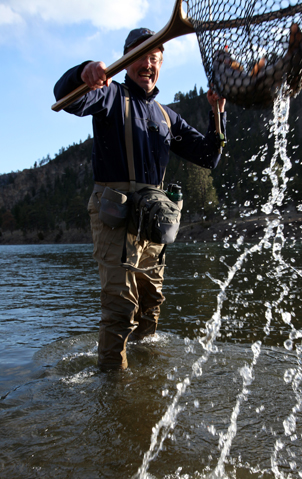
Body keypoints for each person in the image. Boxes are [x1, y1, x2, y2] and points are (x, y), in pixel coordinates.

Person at [54, 27, 226, 371]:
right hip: (114, 217)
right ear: (126, 60)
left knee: (151, 304)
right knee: (120, 306)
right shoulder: (108, 95)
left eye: (155, 58)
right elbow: (68, 97)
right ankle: (113, 386)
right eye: (141, 57)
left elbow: (209, 157)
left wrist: (217, 112)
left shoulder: (167, 116)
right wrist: (85, 71)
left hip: (152, 222)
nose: (148, 64)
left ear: (160, 65)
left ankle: (145, 373)